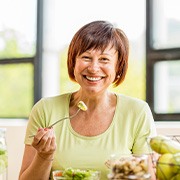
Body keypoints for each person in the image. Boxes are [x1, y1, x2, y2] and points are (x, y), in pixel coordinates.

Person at [19, 20, 157, 180]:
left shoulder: (137, 112)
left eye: (104, 59)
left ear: (118, 66)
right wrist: (44, 156)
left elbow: (148, 177)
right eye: (86, 57)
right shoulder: (45, 110)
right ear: (73, 63)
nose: (93, 68)